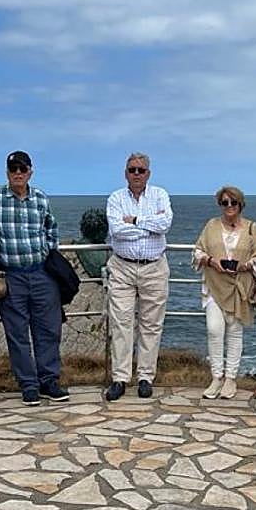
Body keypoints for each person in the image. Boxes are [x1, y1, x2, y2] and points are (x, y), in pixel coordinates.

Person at [0, 151, 68, 407]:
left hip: (42, 274)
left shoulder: (40, 198)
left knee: (48, 330)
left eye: (22, 168)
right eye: (13, 169)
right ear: (7, 172)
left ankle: (49, 380)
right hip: (10, 276)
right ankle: (28, 385)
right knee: (17, 333)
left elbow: (51, 228)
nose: (18, 173)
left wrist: (50, 254)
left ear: (30, 171)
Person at [104, 152, 174, 401]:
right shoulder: (116, 198)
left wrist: (134, 221)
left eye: (140, 170)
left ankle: (145, 377)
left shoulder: (160, 195)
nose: (136, 174)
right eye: (132, 169)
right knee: (121, 323)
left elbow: (164, 225)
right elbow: (117, 231)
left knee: (151, 324)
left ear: (148, 173)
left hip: (154, 267)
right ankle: (120, 378)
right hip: (122, 267)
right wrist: (147, 227)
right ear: (125, 173)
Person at [192, 186, 256, 399]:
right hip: (214, 285)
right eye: (225, 202)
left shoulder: (252, 228)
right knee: (214, 329)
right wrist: (210, 261)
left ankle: (231, 379)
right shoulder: (211, 225)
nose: (229, 206)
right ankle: (216, 377)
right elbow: (197, 251)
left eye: (233, 202)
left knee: (234, 332)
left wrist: (246, 265)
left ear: (241, 204)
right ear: (220, 205)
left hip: (238, 287)